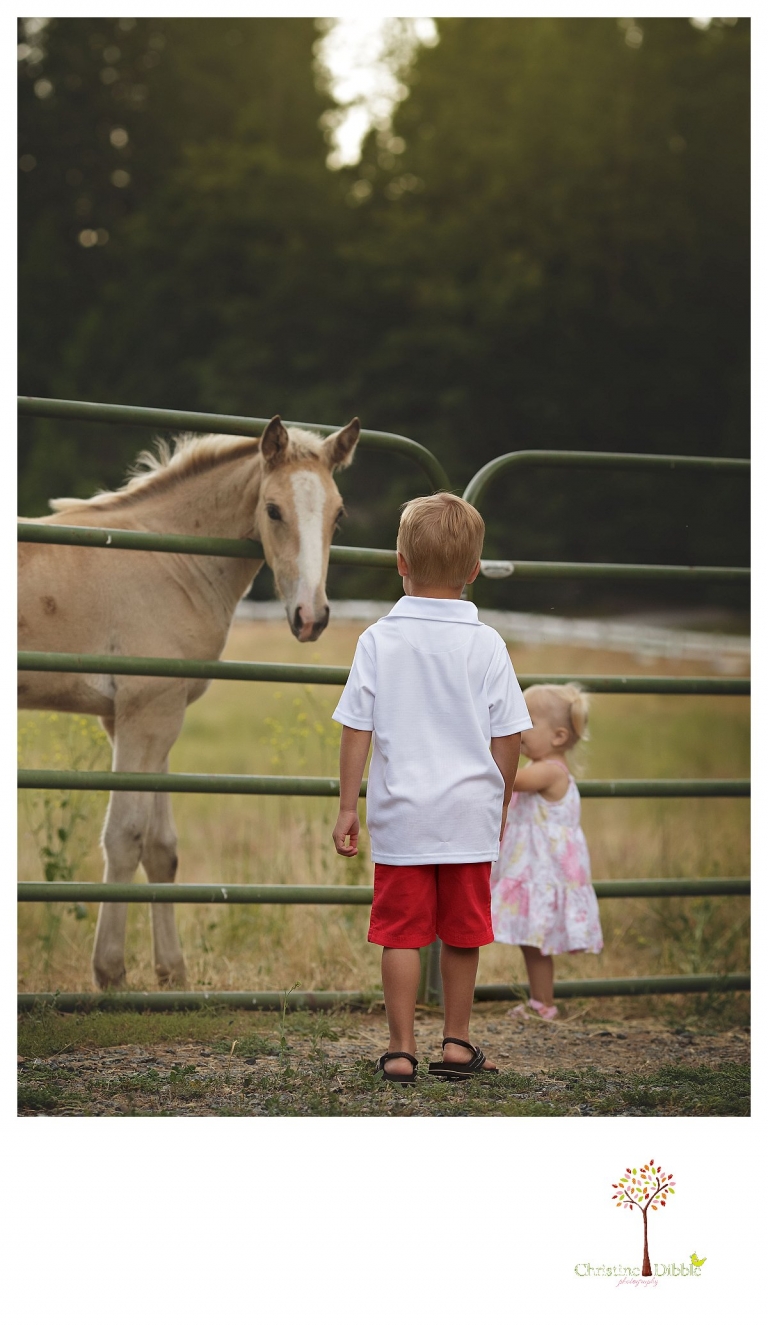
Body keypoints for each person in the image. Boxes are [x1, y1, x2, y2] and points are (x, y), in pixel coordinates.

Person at [331, 492, 532, 1084]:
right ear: (474, 571)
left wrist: (348, 806)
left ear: (401, 561)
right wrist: (498, 800)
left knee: (400, 934)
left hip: (402, 816)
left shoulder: (377, 640)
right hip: (469, 813)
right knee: (462, 933)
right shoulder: (487, 644)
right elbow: (509, 736)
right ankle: (456, 1042)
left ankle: (399, 1050)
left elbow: (356, 729)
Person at [490, 683, 603, 1021]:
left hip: (545, 874)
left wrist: (484, 746)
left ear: (557, 736)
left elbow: (508, 778)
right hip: (534, 871)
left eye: (526, 722)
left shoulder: (549, 771)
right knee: (532, 940)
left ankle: (544, 1003)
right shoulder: (544, 765)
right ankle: (542, 1002)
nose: (518, 729)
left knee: (537, 941)